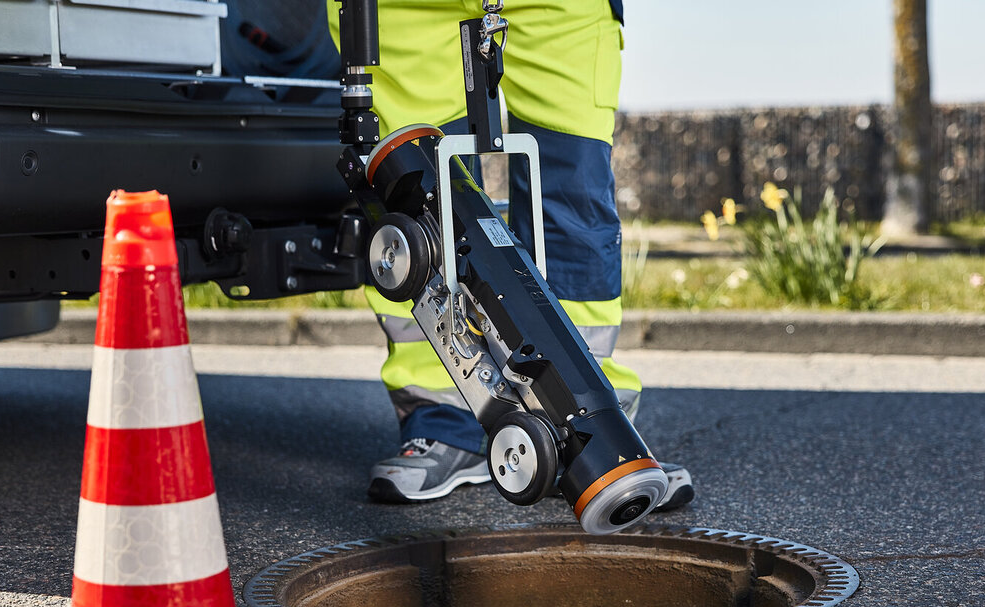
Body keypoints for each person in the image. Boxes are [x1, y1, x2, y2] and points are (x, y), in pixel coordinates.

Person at [224, 1, 693, 510]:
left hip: (561, 7)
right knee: (415, 195)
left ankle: (598, 433)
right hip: (405, 8)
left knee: (573, 198)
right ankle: (445, 414)